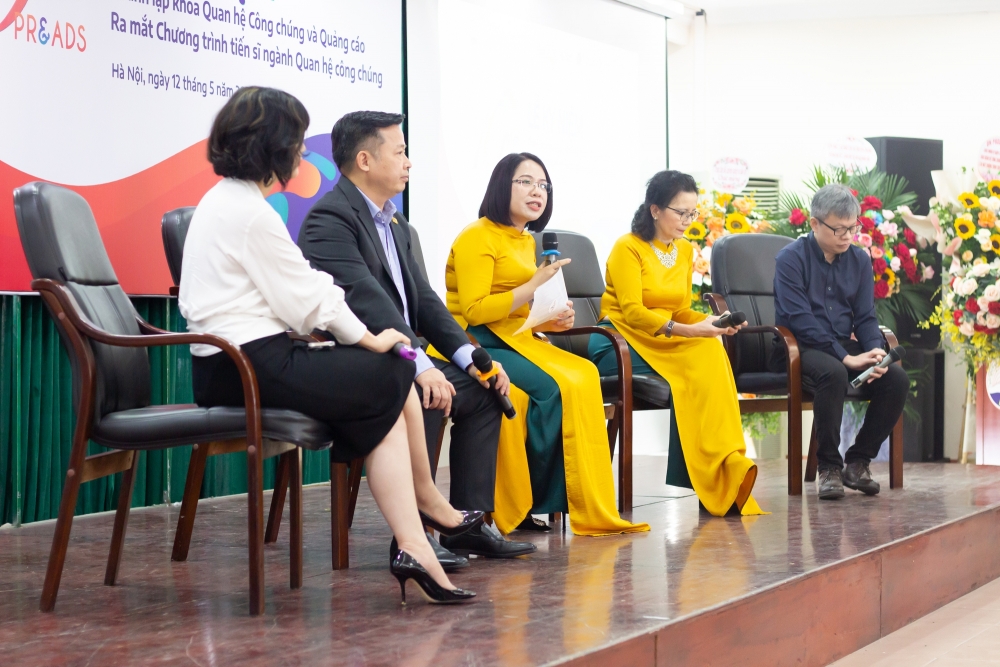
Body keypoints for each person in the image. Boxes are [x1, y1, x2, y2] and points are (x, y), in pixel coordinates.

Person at [178, 86, 478, 604]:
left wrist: (369, 343)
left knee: (386, 383)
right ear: (271, 143)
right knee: (390, 369)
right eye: (296, 139)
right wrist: (369, 338)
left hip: (240, 360)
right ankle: (424, 514)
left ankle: (415, 542)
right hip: (243, 366)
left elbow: (297, 295)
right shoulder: (248, 213)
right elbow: (309, 298)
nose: (301, 151)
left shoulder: (231, 201)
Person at [298, 111, 536, 561]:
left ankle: (464, 524)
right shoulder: (329, 218)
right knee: (424, 391)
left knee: (483, 391)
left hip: (403, 354)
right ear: (365, 160)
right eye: (400, 152)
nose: (409, 162)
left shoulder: (398, 225)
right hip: (358, 360)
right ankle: (413, 536)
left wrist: (473, 359)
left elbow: (425, 302)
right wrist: (420, 366)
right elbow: (367, 301)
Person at [443, 152, 649, 537]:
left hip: (515, 338)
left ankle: (563, 497)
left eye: (543, 185)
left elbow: (518, 309)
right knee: (556, 386)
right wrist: (535, 284)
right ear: (502, 185)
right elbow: (475, 310)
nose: (537, 192)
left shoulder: (524, 240)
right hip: (475, 342)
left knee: (583, 373)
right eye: (526, 182)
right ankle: (531, 500)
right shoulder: (477, 236)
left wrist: (552, 319)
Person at [588, 170, 765, 516]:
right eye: (680, 212)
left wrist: (711, 322)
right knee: (701, 354)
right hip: (619, 341)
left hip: (663, 338)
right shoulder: (628, 247)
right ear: (655, 210)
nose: (687, 221)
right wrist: (687, 331)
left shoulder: (684, 250)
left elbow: (681, 309)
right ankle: (712, 472)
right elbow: (633, 311)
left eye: (692, 213)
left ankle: (724, 466)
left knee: (711, 346)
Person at [772, 183, 908, 500]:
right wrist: (846, 358)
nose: (847, 236)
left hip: (841, 349)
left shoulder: (859, 260)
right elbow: (799, 320)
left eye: (852, 228)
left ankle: (858, 463)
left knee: (895, 378)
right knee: (833, 373)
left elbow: (865, 316)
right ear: (814, 223)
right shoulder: (790, 259)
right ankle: (829, 468)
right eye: (839, 229)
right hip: (798, 348)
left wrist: (874, 351)